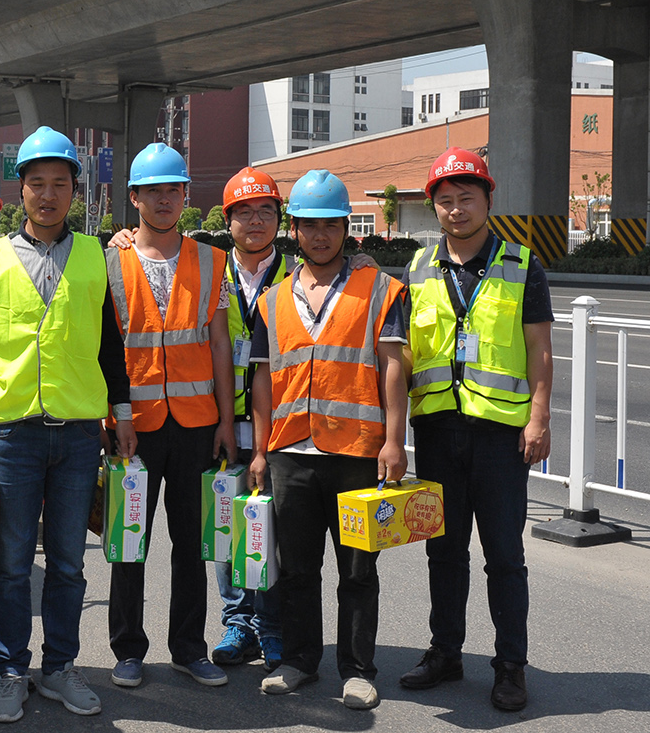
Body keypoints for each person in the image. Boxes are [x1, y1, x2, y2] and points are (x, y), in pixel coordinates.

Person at [0, 126, 133, 724]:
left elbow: (110, 342)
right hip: (12, 433)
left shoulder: (94, 254)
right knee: (8, 562)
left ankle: (58, 668)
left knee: (69, 563)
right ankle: (10, 670)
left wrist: (122, 412)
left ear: (74, 191)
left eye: (59, 184)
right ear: (21, 191)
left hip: (80, 431)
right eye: (37, 184)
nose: (48, 195)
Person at [397, 149, 553, 712]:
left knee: (504, 555)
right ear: (433, 207)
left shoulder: (521, 264)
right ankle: (445, 652)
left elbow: (539, 349)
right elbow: (402, 354)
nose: (456, 208)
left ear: (488, 199)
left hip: (499, 436)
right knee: (444, 551)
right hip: (437, 430)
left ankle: (511, 665)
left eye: (467, 197)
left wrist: (540, 417)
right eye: (445, 200)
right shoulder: (416, 269)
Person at [247, 169, 408, 711]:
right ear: (294, 230)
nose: (320, 236)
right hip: (291, 453)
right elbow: (262, 382)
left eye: (331, 226)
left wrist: (394, 441)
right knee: (295, 568)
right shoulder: (270, 302)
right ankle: (298, 660)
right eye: (310, 226)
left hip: (357, 451)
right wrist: (260, 450)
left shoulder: (381, 290)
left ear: (347, 230)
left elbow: (392, 370)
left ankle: (359, 670)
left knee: (358, 570)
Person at [102, 144, 235, 690]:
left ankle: (189, 648)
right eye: (152, 190)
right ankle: (128, 650)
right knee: (128, 541)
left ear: (185, 195)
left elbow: (220, 344)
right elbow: (103, 347)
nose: (163, 200)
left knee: (191, 543)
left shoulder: (212, 260)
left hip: (197, 421)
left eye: (172, 189)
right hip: (130, 426)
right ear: (133, 197)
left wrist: (227, 421)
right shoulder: (109, 259)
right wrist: (113, 415)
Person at [210, 168, 291, 672]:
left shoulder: (302, 272)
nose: (255, 221)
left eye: (266, 211)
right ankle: (238, 624)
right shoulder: (208, 271)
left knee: (273, 534)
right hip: (220, 421)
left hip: (279, 424)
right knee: (226, 528)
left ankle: (274, 628)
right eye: (244, 212)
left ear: (280, 220)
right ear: (228, 221)